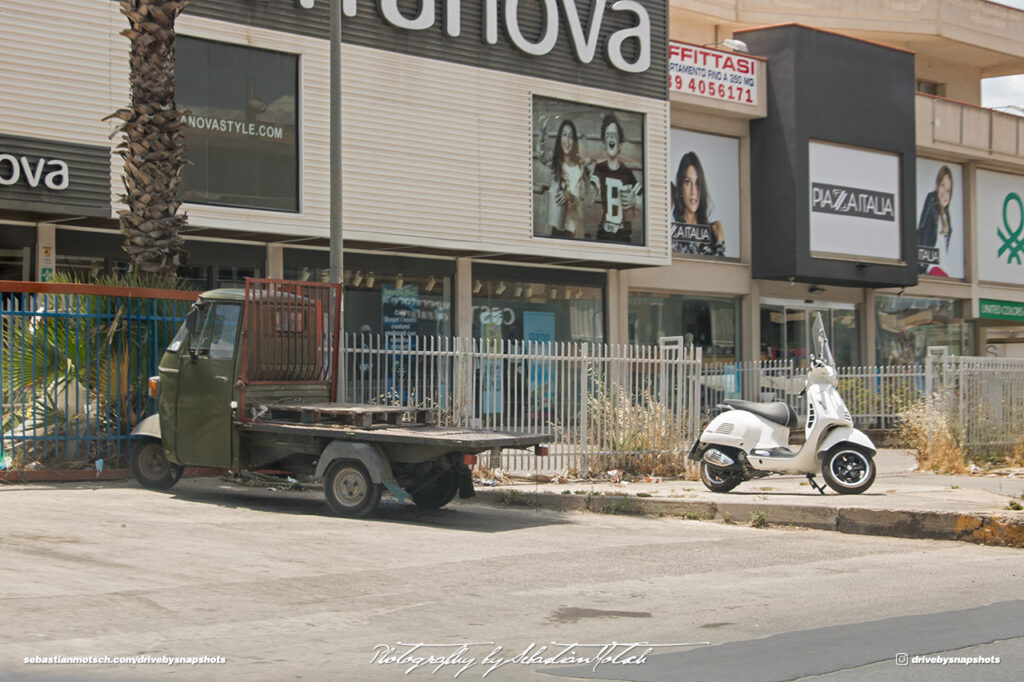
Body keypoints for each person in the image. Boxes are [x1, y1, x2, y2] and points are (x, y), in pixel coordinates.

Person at [591, 113, 642, 243]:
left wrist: (634, 201)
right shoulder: (599, 169)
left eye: (614, 135)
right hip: (604, 235)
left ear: (619, 144)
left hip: (624, 237)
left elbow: (644, 203)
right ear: (604, 142)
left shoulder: (627, 173)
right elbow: (590, 193)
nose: (611, 138)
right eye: (608, 135)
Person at [671, 151, 726, 256]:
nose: (693, 191)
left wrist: (720, 242)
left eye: (697, 183)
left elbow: (720, 270)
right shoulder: (674, 230)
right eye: (687, 182)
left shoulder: (713, 233)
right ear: (681, 189)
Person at [548, 119, 587, 239]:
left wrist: (569, 195)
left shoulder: (579, 169)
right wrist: (542, 133)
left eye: (571, 136)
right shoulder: (554, 163)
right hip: (556, 227)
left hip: (572, 230)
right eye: (564, 135)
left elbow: (579, 201)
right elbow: (541, 153)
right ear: (559, 139)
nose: (567, 140)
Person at [916, 165, 953, 275]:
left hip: (944, 270)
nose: (944, 194)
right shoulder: (931, 200)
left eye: (948, 190)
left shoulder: (946, 215)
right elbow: (922, 230)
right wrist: (920, 265)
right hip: (931, 269)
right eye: (942, 186)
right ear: (937, 185)